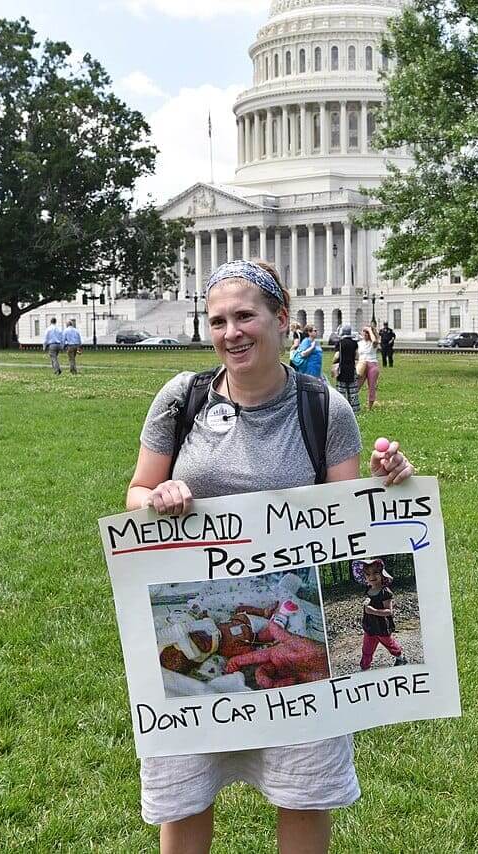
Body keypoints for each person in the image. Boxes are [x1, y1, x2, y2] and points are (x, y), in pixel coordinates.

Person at [126, 258, 415, 854]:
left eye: (245, 316)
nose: (231, 332)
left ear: (281, 319)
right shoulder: (181, 399)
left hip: (294, 629)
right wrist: (159, 495)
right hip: (199, 621)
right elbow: (135, 494)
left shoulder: (324, 409)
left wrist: (390, 486)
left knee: (301, 794)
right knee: (186, 796)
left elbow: (345, 518)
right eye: (218, 320)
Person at [359, 559, 405, 669]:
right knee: (367, 648)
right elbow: (368, 603)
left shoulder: (385, 592)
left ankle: (400, 658)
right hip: (369, 625)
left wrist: (373, 611)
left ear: (382, 574)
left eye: (375, 572)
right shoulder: (368, 589)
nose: (372, 576)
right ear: (365, 577)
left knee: (390, 644)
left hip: (382, 626)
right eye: (368, 574)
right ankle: (365, 666)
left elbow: (389, 611)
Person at [331, 324, 359, 413]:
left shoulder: (339, 343)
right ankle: (354, 409)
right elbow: (357, 356)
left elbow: (337, 356)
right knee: (352, 390)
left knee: (341, 389)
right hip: (351, 368)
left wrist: (333, 362)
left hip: (342, 368)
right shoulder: (354, 343)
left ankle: (342, 408)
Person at [356, 326, 381, 410]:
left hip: (372, 365)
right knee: (357, 385)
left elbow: (374, 341)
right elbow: (357, 355)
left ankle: (369, 407)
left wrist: (370, 330)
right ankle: (354, 403)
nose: (365, 334)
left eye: (367, 332)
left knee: (371, 386)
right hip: (362, 365)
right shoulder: (360, 343)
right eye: (364, 332)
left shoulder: (373, 343)